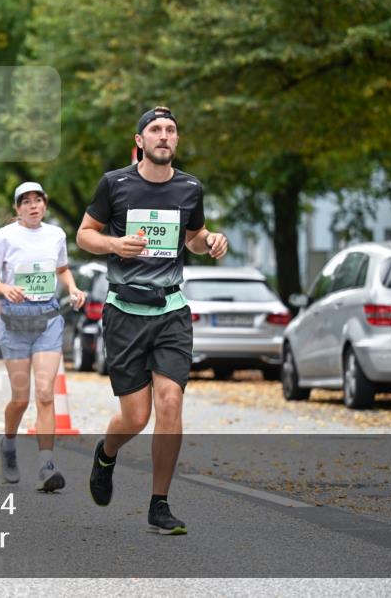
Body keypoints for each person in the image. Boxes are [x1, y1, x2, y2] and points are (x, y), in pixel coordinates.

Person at [77, 106, 227, 534]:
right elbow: (85, 234)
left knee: (171, 402)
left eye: (171, 130)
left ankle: (159, 503)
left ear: (176, 141)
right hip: (125, 312)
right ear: (140, 140)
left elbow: (195, 239)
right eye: (155, 130)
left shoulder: (189, 188)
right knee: (136, 417)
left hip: (172, 311)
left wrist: (212, 241)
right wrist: (114, 244)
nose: (164, 135)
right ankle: (106, 454)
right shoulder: (115, 183)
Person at [0, 182, 86, 493]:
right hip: (15, 320)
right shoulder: (4, 236)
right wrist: (5, 289)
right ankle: (9, 444)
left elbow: (63, 269)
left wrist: (72, 288)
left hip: (47, 319)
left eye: (37, 200)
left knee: (45, 393)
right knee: (20, 398)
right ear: (17, 209)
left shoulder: (56, 235)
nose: (32, 206)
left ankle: (46, 463)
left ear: (45, 204)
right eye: (25, 202)